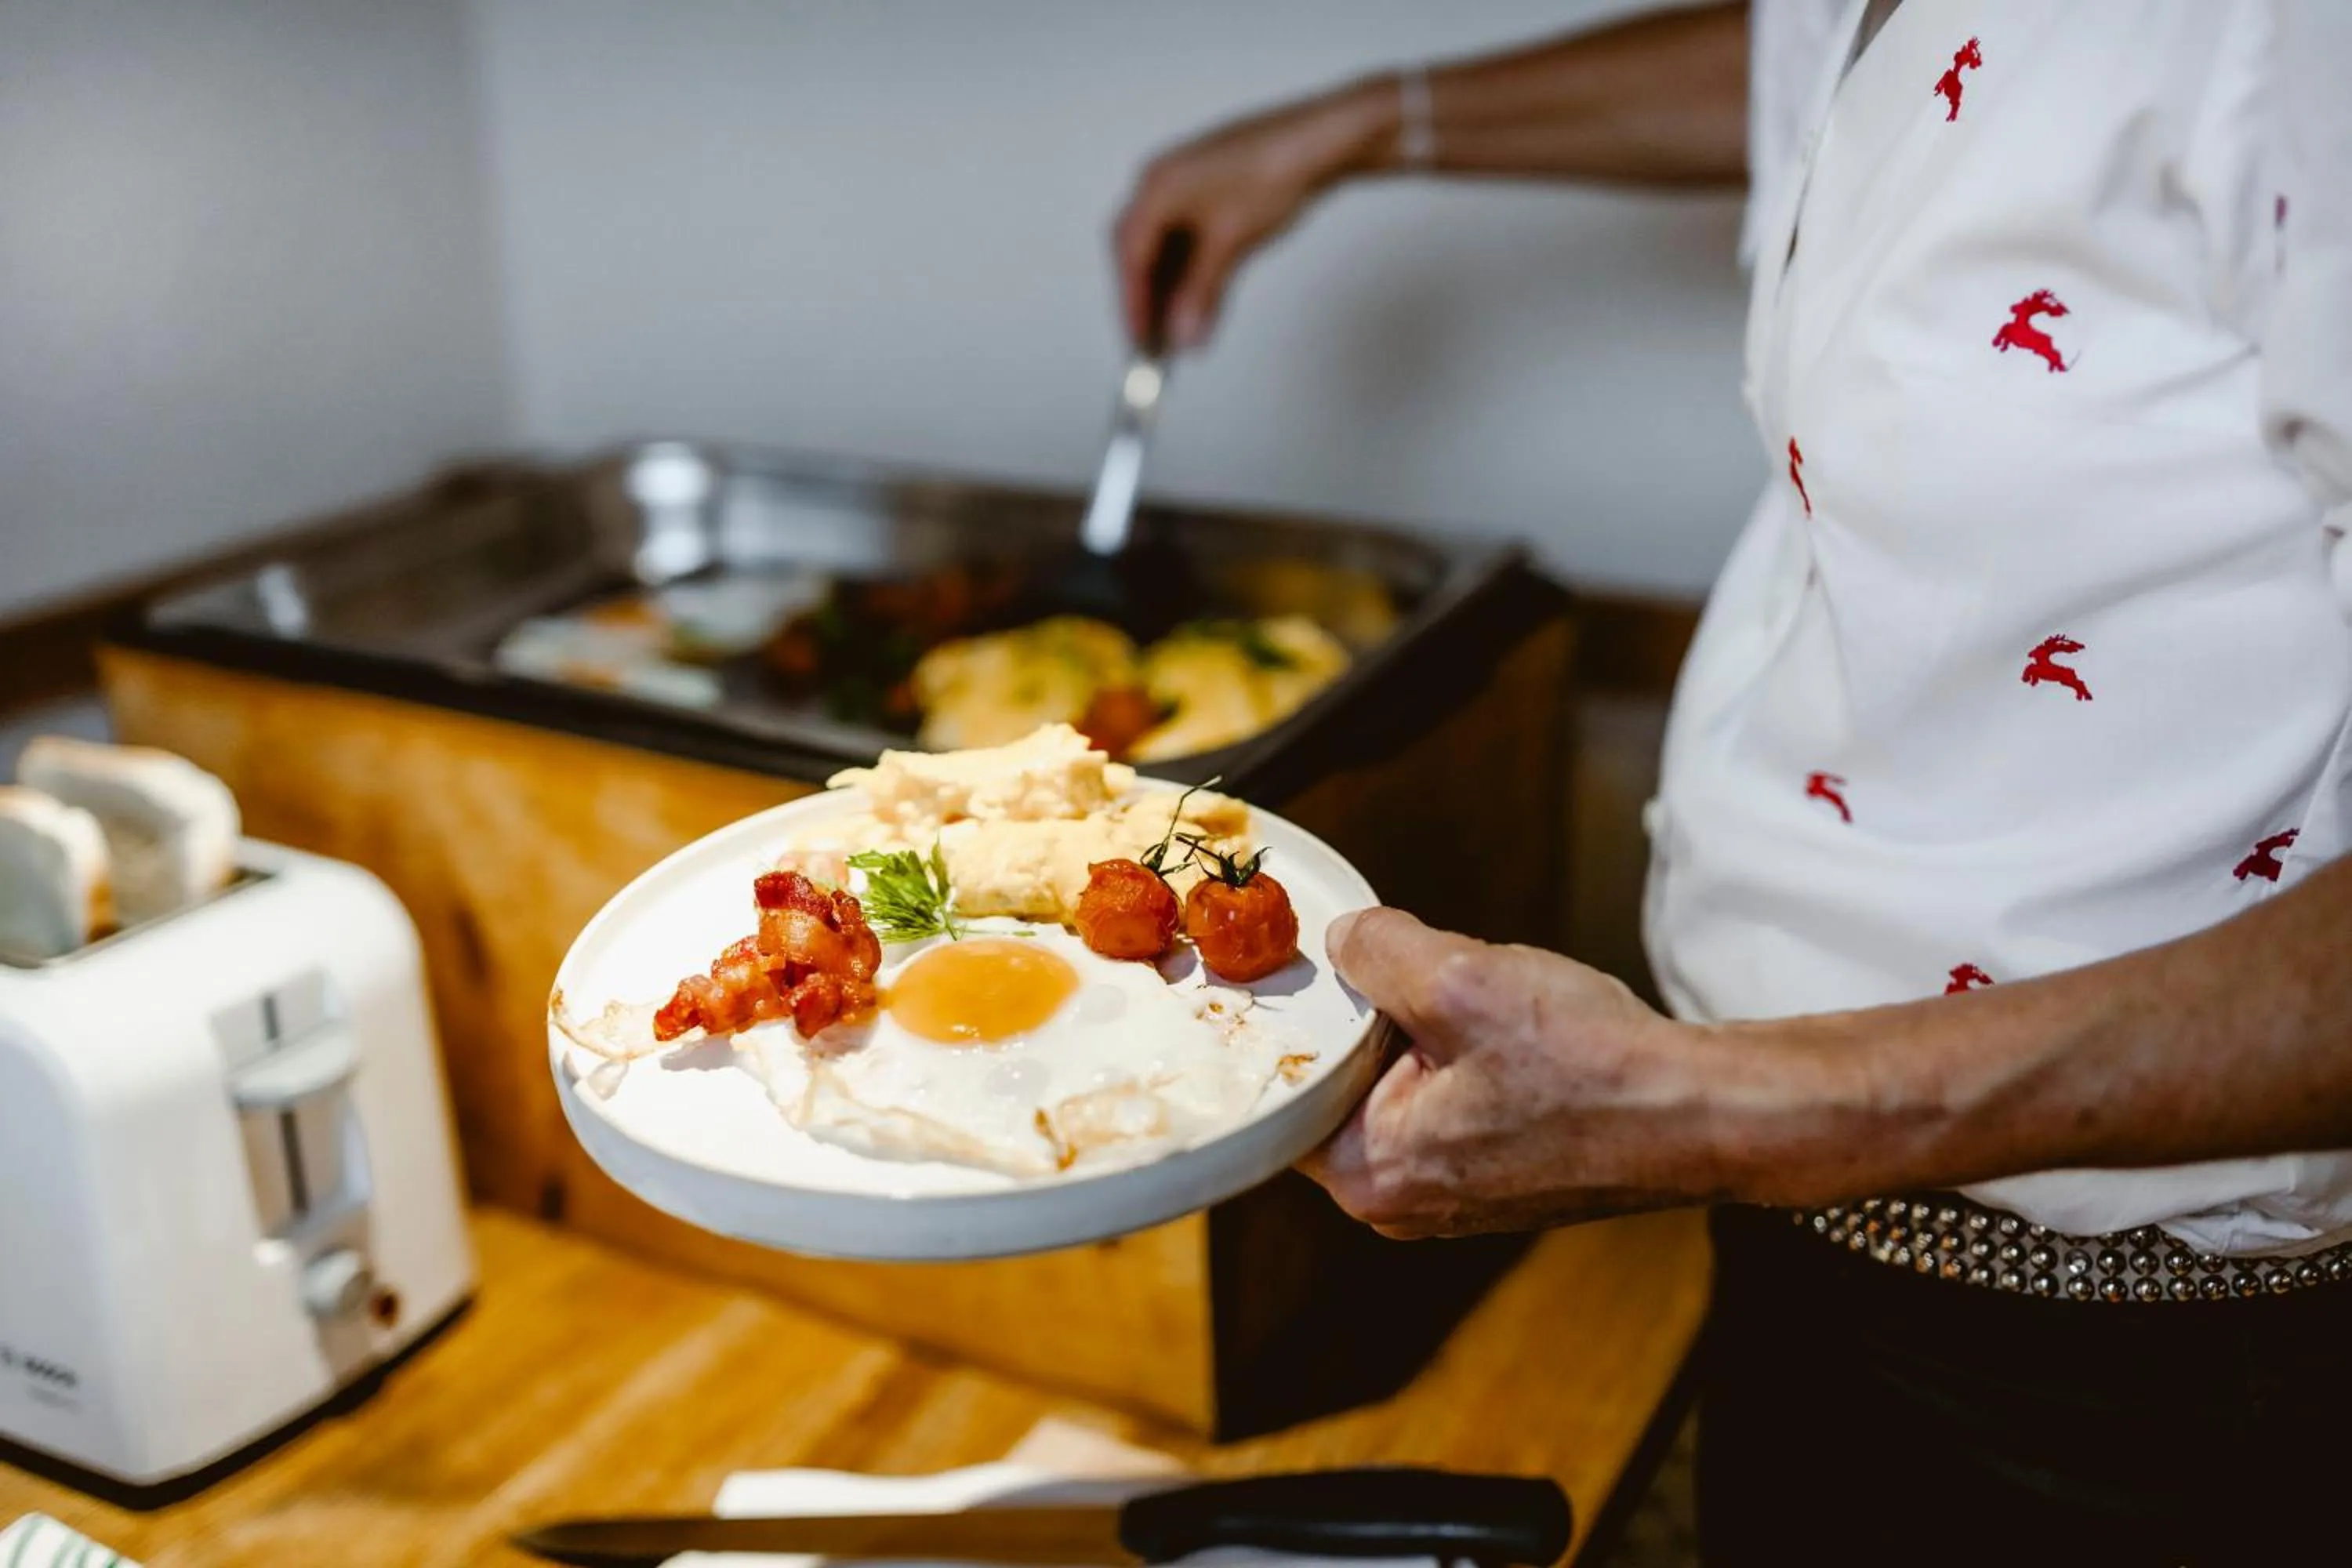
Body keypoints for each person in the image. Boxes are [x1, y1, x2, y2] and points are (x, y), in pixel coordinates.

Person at [1113, 3, 2352, 1563]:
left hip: (2153, 1373)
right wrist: (1362, 122)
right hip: (1808, 1240)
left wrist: (1700, 1109)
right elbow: (1907, 66)